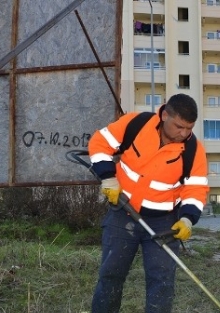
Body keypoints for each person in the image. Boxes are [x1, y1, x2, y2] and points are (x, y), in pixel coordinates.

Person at [88, 93, 209, 312]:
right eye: (179, 126)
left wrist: (187, 219)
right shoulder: (135, 124)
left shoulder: (193, 150)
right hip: (122, 214)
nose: (184, 133)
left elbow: (196, 188)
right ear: (164, 115)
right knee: (111, 275)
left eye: (189, 128)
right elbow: (99, 143)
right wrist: (108, 177)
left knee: (161, 283)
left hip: (163, 224)